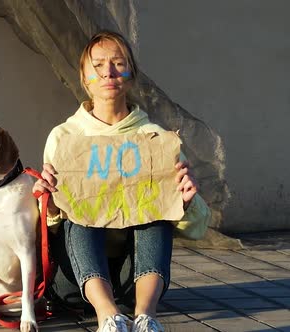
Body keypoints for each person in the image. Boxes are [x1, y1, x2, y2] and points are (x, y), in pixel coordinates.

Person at [32, 30, 210, 332]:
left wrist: (186, 200)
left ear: (130, 74)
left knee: (155, 216)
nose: (109, 72)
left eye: (117, 63)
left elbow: (198, 228)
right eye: (98, 65)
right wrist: (46, 202)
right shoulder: (65, 138)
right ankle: (107, 317)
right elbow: (48, 227)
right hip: (75, 283)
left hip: (134, 281)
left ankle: (145, 318)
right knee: (79, 216)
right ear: (84, 75)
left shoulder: (153, 138)